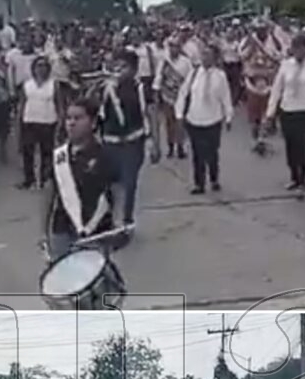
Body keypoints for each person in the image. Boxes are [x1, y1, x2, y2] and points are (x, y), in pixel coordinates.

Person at [43, 98, 119, 260]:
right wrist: (45, 232)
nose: (71, 123)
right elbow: (51, 195)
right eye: (68, 118)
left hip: (96, 233)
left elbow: (115, 192)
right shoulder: (59, 156)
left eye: (78, 118)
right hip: (62, 230)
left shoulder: (105, 155)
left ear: (92, 123)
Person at [99, 48, 159, 235]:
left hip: (133, 143)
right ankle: (107, 219)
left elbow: (151, 114)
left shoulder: (140, 89)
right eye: (117, 66)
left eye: (124, 66)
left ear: (133, 69)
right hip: (109, 143)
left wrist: (155, 142)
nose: (119, 70)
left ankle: (126, 220)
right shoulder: (105, 88)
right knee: (108, 184)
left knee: (129, 183)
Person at [264, 33, 305, 198]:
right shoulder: (285, 65)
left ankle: (303, 180)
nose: (298, 52)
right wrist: (270, 113)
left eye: (301, 48)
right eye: (295, 48)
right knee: (290, 146)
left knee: (303, 145)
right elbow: (277, 90)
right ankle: (293, 176)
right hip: (287, 110)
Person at [176, 43, 233, 195]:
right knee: (197, 153)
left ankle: (214, 178)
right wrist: (180, 114)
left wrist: (228, 116)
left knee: (212, 152)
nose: (205, 58)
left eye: (208, 55)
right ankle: (199, 183)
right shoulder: (194, 74)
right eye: (203, 54)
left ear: (214, 58)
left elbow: (225, 97)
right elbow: (183, 94)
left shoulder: (220, 76)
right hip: (194, 119)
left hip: (213, 120)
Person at [17, 55, 61, 190]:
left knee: (46, 152)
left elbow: (59, 104)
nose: (41, 69)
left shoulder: (54, 84)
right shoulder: (27, 84)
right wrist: (19, 121)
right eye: (38, 66)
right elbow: (22, 104)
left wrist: (61, 122)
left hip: (48, 122)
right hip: (29, 121)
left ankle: (44, 179)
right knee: (28, 152)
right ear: (33, 69)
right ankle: (29, 180)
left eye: (44, 66)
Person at [154, 31, 193, 159]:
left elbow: (190, 79)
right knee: (169, 123)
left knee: (180, 122)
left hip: (181, 96)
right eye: (171, 46)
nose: (173, 48)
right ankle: (170, 147)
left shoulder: (186, 62)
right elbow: (159, 77)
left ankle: (181, 146)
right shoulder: (164, 62)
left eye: (175, 46)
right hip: (167, 96)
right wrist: (157, 92)